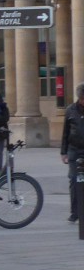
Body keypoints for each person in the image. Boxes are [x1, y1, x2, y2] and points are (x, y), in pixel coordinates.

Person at [59, 81, 84, 224]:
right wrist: (64, 152)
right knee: (74, 181)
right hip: (74, 150)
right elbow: (65, 132)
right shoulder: (71, 110)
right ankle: (75, 213)